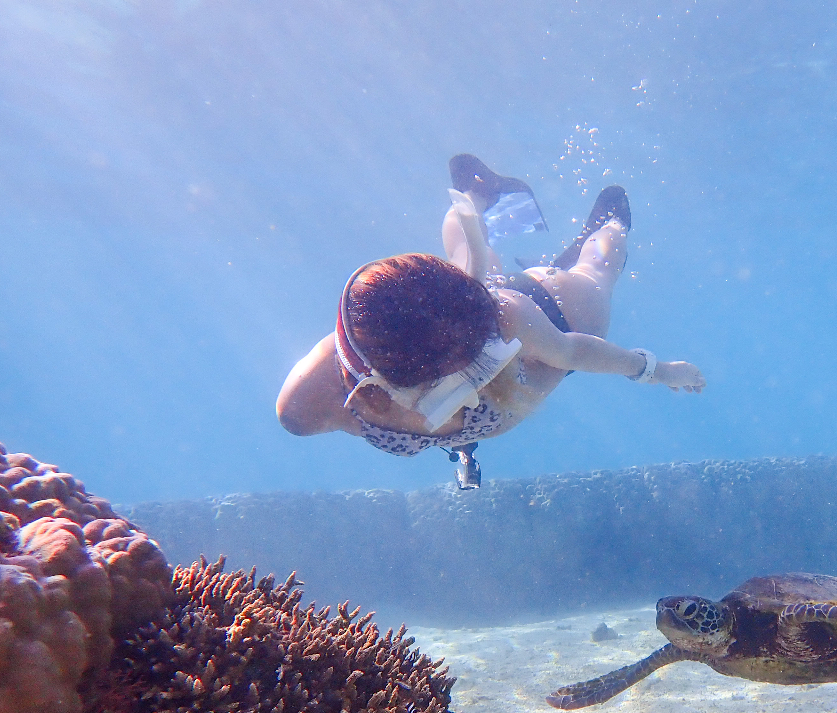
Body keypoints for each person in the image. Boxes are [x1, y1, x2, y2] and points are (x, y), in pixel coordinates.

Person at [276, 155, 705, 488]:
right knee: (469, 257)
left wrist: (657, 370)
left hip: (559, 311)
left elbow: (571, 350)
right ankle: (479, 195)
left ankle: (609, 225)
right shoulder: (313, 398)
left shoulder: (498, 315)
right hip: (480, 308)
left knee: (595, 273)